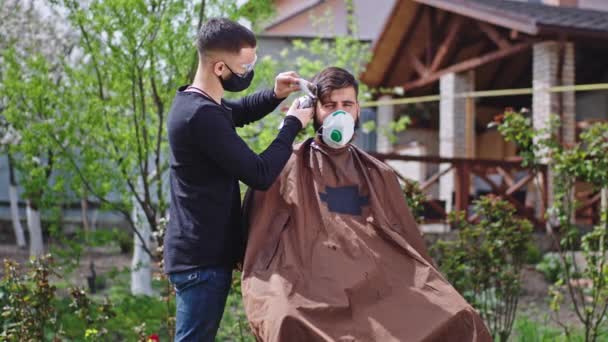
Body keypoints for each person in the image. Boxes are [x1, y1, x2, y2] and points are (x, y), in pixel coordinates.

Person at [241, 67, 492, 341]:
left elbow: (405, 243)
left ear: (358, 109)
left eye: (347, 104)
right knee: (285, 316)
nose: (340, 113)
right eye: (330, 105)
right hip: (312, 286)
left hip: (378, 285)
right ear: (314, 111)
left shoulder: (378, 174)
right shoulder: (286, 165)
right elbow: (261, 241)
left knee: (457, 315)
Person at [163, 18, 313, 341]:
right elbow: (259, 173)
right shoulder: (200, 116)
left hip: (197, 255)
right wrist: (291, 125)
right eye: (245, 68)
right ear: (219, 68)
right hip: (200, 261)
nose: (248, 73)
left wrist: (274, 95)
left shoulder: (196, 102)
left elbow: (237, 112)